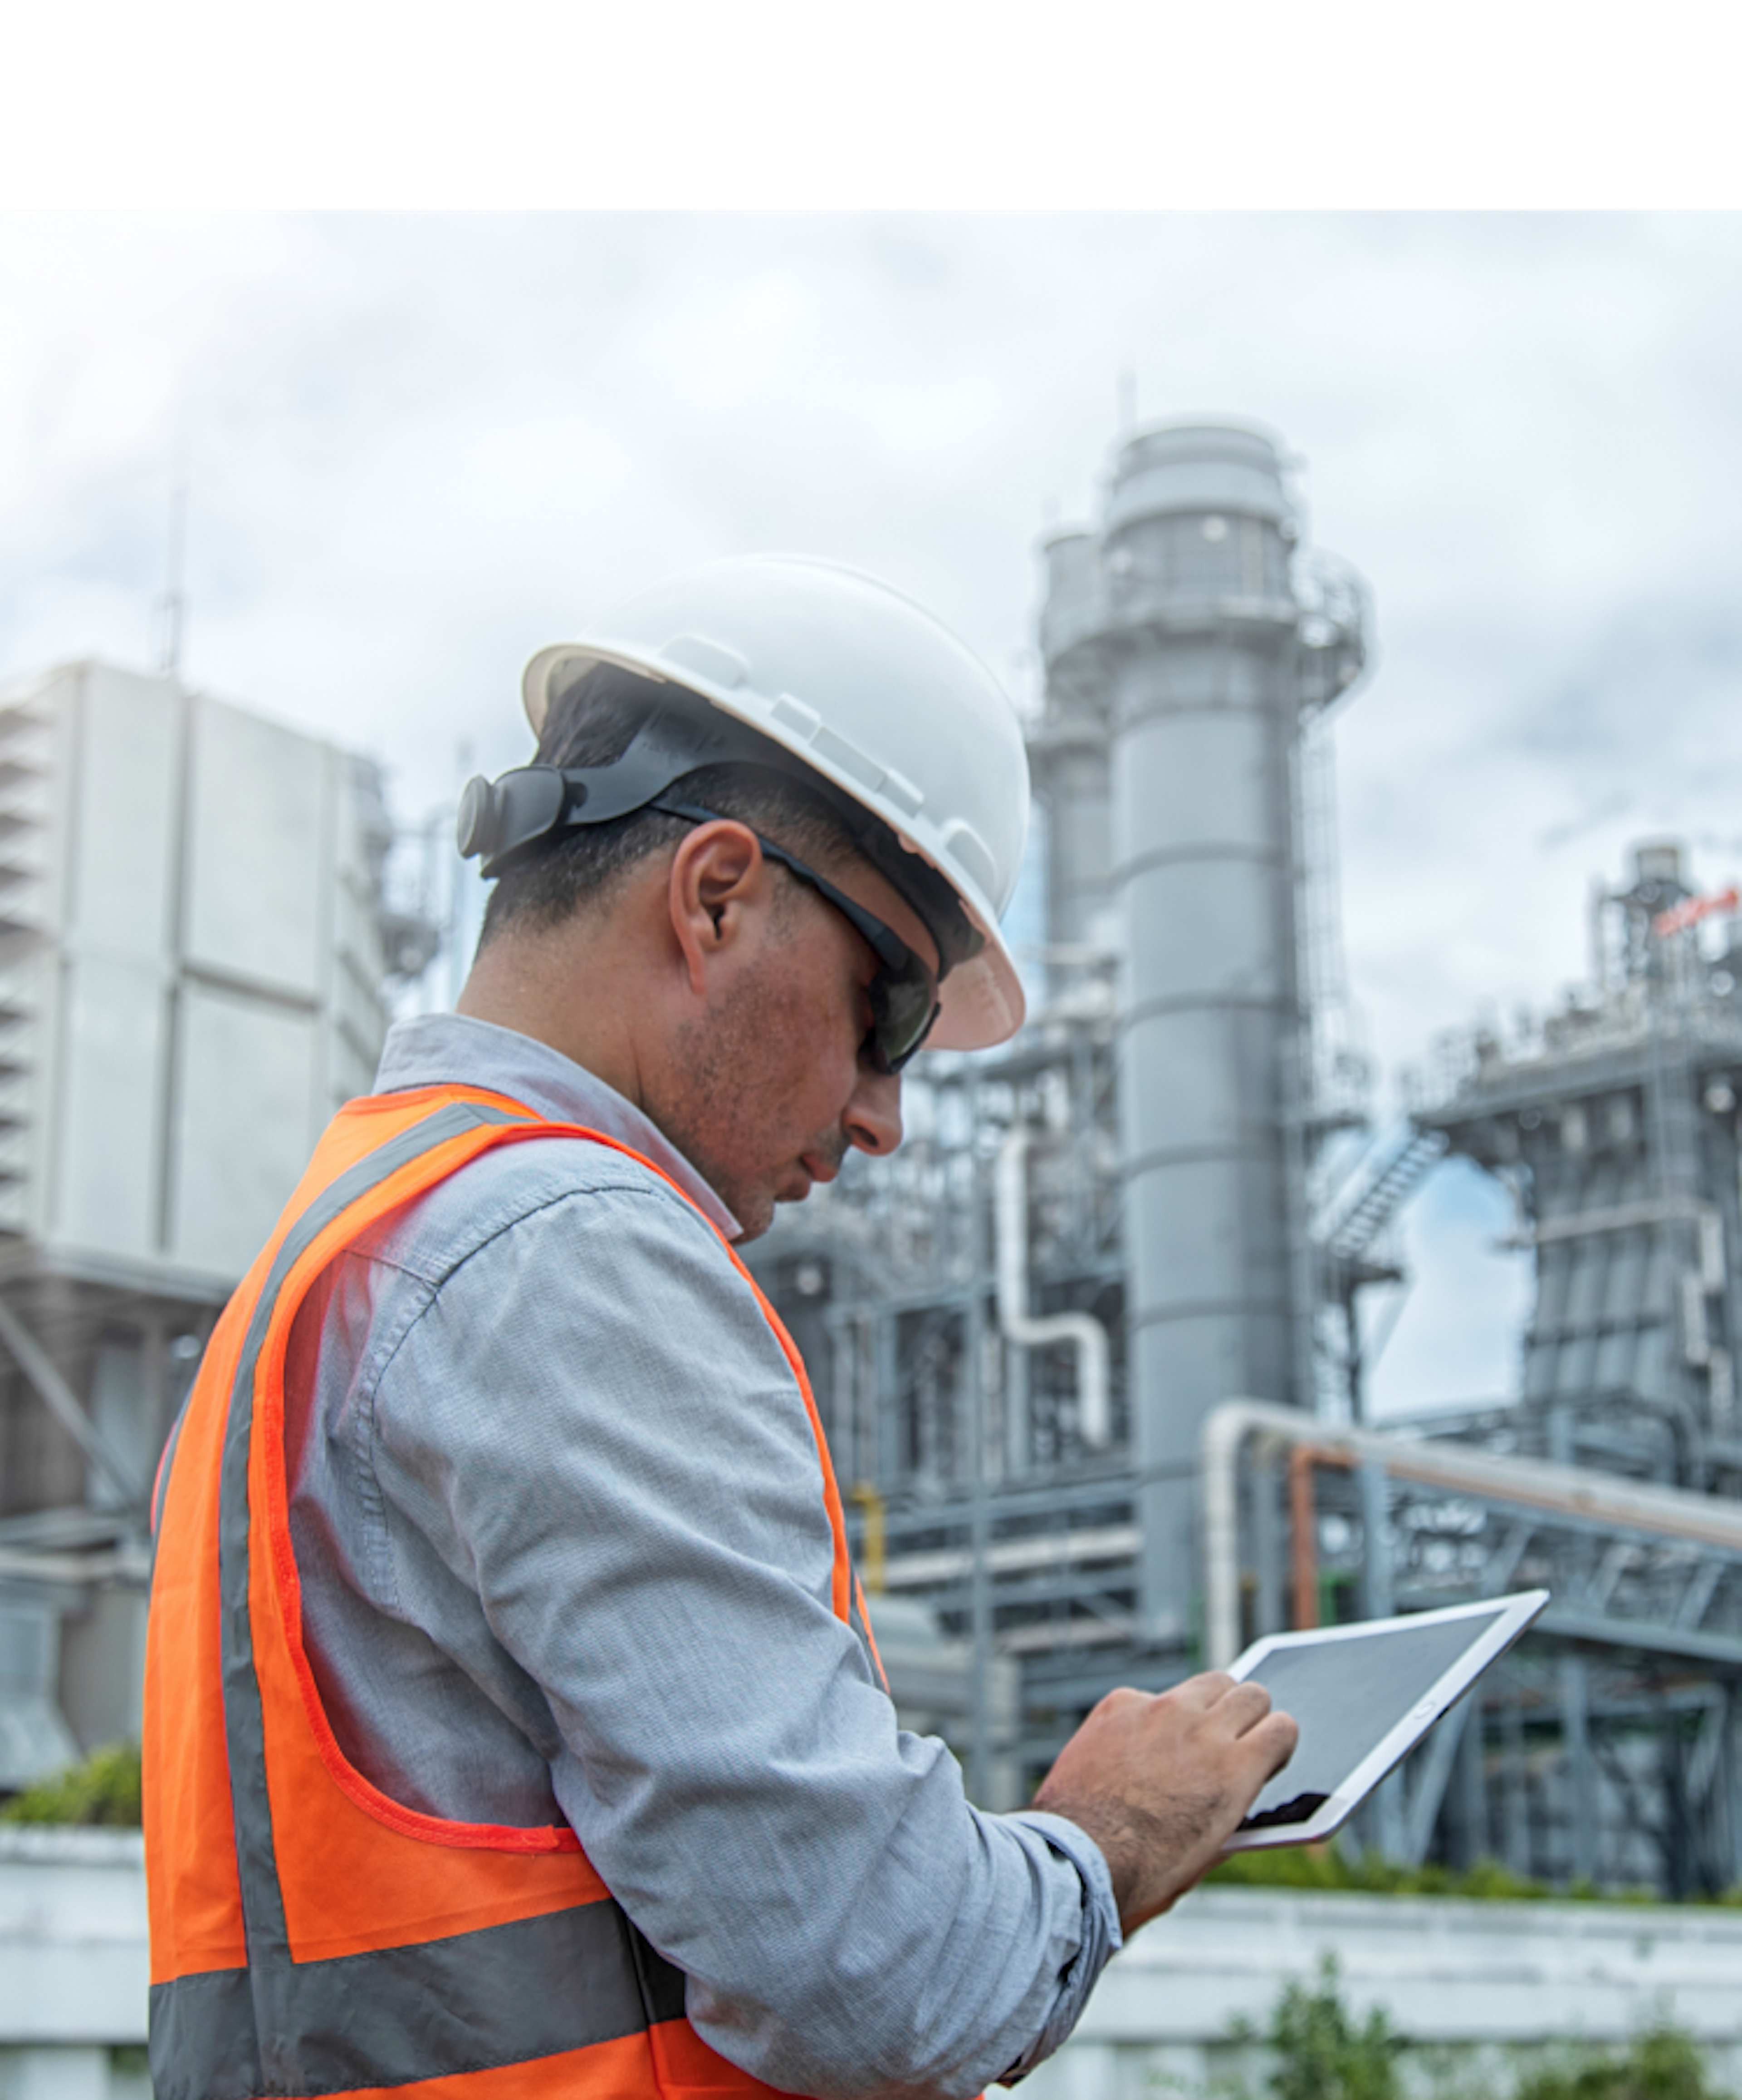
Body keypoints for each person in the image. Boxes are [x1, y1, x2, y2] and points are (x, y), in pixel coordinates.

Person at [143, 556, 1297, 2100]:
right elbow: (885, 1981)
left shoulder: (343, 1246)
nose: (886, 1116)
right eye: (888, 1014)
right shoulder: (575, 1251)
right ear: (717, 896)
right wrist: (1107, 1835)